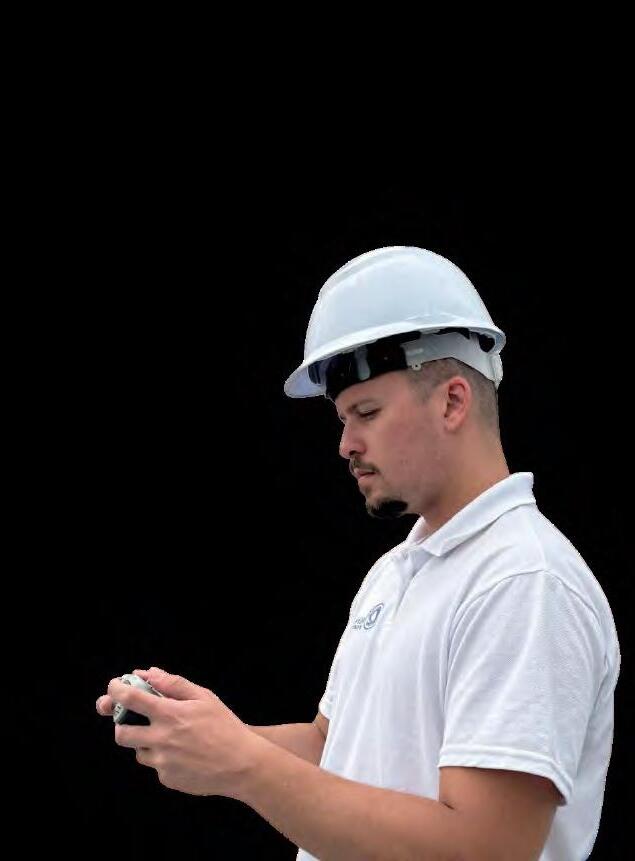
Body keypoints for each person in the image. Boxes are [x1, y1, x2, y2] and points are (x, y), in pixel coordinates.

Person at [97, 246, 620, 860]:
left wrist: (242, 763)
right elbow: (333, 748)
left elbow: (486, 848)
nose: (346, 444)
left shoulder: (523, 581)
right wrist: (211, 737)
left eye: (366, 413)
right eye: (342, 419)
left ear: (453, 402)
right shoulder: (398, 571)